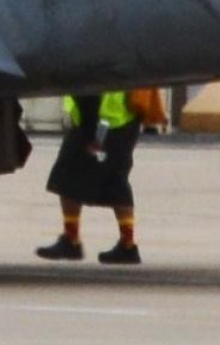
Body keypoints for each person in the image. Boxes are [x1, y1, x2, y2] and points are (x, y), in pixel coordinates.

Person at [38, 86, 160, 264]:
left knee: (65, 175)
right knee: (116, 181)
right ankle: (127, 244)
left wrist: (92, 133)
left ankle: (72, 238)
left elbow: (90, 85)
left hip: (102, 121)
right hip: (123, 119)